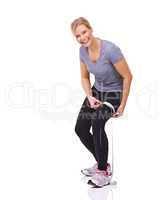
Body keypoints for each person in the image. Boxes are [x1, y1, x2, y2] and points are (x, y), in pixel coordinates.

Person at [70, 17, 133, 187]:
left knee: (97, 122)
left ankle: (103, 172)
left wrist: (122, 105)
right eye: (78, 36)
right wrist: (90, 95)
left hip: (115, 92)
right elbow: (84, 77)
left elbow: (128, 76)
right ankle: (101, 163)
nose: (82, 38)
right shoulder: (82, 51)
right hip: (97, 91)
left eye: (84, 32)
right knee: (80, 129)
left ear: (90, 29)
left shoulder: (110, 50)